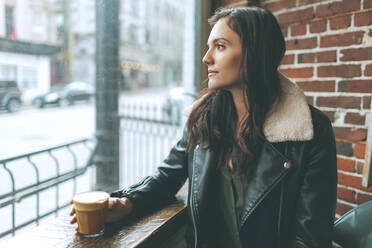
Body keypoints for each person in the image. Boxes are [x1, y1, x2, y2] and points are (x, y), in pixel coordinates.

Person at [70, 6, 337, 248]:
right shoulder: (202, 119)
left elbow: (310, 238)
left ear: (256, 53)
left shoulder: (309, 132)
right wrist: (126, 202)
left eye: (220, 46)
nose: (206, 58)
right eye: (209, 47)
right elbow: (167, 176)